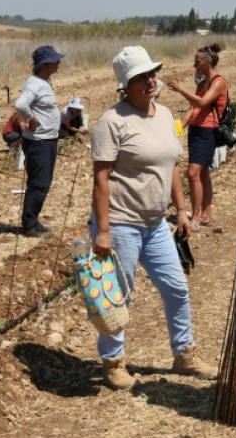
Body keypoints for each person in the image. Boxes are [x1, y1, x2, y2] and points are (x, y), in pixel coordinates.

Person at [90, 46, 216, 390]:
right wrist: (103, 230)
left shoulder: (163, 116)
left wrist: (181, 212)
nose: (151, 81)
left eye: (152, 74)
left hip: (155, 223)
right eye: (141, 77)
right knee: (118, 298)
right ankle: (113, 361)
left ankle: (184, 352)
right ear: (125, 85)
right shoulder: (111, 122)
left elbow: (171, 166)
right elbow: (101, 179)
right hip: (121, 223)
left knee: (176, 288)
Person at [166, 44, 227, 232]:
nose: (194, 66)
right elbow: (194, 109)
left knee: (192, 173)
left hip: (207, 132)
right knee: (202, 173)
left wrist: (181, 89)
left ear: (208, 63)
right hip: (196, 130)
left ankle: (196, 216)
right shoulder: (202, 83)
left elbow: (201, 102)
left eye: (197, 62)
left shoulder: (218, 82)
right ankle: (206, 212)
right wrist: (177, 130)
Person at [15, 45, 64, 237]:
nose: (58, 63)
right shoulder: (35, 84)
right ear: (44, 65)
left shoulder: (43, 81)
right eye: (55, 61)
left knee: (43, 181)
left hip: (47, 139)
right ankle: (29, 225)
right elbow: (20, 104)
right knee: (39, 183)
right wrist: (31, 119)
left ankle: (33, 220)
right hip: (39, 142)